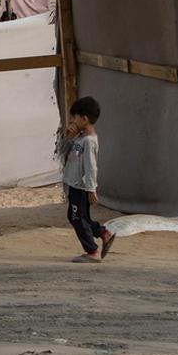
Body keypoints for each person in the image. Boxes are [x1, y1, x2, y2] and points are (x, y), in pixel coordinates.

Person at [61, 96, 114, 263]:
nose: (72, 121)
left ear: (84, 119)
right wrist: (69, 136)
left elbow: (91, 167)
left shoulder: (89, 142)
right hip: (74, 184)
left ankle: (92, 250)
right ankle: (103, 232)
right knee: (77, 216)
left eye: (75, 118)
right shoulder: (80, 137)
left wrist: (91, 189)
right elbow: (66, 154)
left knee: (78, 218)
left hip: (81, 187)